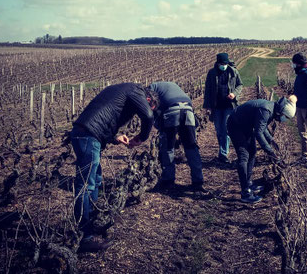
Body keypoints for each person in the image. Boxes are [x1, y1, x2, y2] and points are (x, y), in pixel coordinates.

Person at [69, 83, 159, 252]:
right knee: (86, 185)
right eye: (150, 106)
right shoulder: (136, 90)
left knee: (95, 181)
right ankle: (84, 236)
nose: (149, 108)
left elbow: (104, 116)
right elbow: (147, 116)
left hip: (87, 133)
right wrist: (142, 137)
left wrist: (115, 137)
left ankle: (92, 224)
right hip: (88, 136)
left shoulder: (125, 92)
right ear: (148, 99)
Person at [227, 95, 297, 203]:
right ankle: (245, 193)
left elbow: (263, 128)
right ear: (282, 112)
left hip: (245, 126)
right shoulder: (266, 110)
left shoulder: (271, 109)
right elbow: (258, 133)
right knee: (244, 156)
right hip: (236, 125)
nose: (285, 120)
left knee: (252, 152)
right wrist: (270, 152)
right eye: (286, 117)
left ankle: (249, 182)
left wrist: (272, 141)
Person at [147, 81, 206, 192]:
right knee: (191, 146)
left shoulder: (149, 91)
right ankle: (198, 182)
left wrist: (158, 125)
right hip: (188, 110)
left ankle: (168, 181)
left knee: (168, 148)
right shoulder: (170, 86)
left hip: (172, 111)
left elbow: (153, 110)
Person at [203, 52, 243, 164]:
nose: (224, 65)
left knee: (225, 129)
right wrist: (207, 106)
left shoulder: (233, 71)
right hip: (216, 106)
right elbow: (207, 90)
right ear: (217, 63)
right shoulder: (211, 73)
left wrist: (234, 94)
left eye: (225, 63)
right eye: (222, 63)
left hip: (229, 106)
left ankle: (224, 153)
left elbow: (240, 85)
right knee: (219, 130)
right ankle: (222, 151)